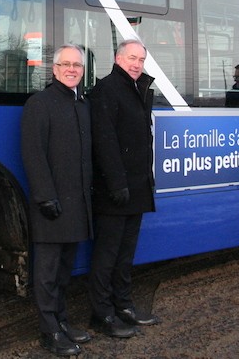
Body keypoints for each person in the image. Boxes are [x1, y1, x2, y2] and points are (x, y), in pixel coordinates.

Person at [20, 44, 94, 356]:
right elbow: (33, 154)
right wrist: (45, 197)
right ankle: (49, 330)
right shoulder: (39, 103)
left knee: (65, 270)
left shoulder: (82, 105)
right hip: (50, 205)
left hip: (76, 205)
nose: (72, 70)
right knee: (47, 273)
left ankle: (62, 322)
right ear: (54, 69)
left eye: (77, 65)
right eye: (66, 64)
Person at [87, 39, 159, 339]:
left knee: (126, 254)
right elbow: (104, 142)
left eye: (141, 60)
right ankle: (101, 313)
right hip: (114, 191)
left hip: (136, 188)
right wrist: (116, 184)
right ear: (118, 59)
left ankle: (124, 305)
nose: (137, 64)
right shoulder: (107, 90)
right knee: (106, 256)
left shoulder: (136, 88)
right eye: (132, 58)